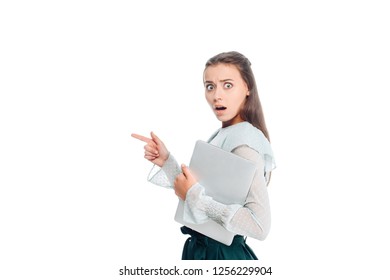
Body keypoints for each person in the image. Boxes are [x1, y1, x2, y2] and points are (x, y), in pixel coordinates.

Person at [131, 51, 276, 260]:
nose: (217, 95)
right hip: (202, 250)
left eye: (227, 85)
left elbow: (259, 226)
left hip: (221, 256)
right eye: (210, 86)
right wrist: (166, 160)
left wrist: (194, 198)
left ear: (247, 88)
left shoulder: (245, 140)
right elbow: (208, 190)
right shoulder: (224, 133)